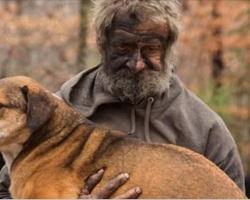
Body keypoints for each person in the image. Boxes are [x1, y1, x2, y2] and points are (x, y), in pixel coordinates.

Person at [0, 0, 245, 198]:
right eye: (123, 47)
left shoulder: (205, 127)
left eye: (150, 49)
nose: (136, 63)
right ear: (102, 43)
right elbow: (6, 190)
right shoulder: (55, 112)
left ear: (168, 48)